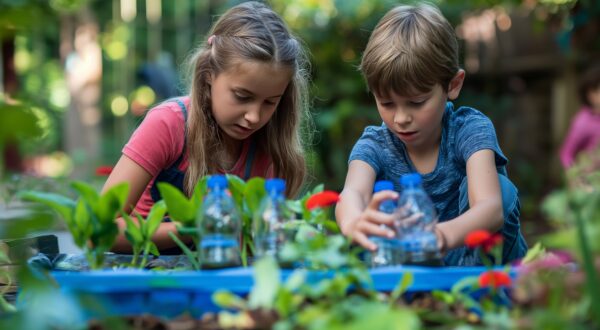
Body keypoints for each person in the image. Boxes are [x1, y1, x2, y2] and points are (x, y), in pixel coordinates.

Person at [102, 1, 311, 253]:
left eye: (270, 102)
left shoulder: (273, 146)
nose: (254, 116)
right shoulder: (168, 124)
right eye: (242, 96)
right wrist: (197, 227)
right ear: (209, 74)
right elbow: (100, 230)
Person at [335, 3, 527, 266]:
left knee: (502, 189)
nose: (401, 118)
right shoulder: (375, 144)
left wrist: (438, 236)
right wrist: (354, 221)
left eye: (416, 102)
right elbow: (352, 193)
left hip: (485, 263)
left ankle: (480, 293)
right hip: (410, 264)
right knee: (365, 224)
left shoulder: (468, 129)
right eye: (387, 104)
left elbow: (491, 208)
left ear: (453, 85)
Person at [559, 63, 600, 169]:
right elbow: (566, 153)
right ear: (591, 95)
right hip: (591, 179)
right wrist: (574, 174)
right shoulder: (583, 122)